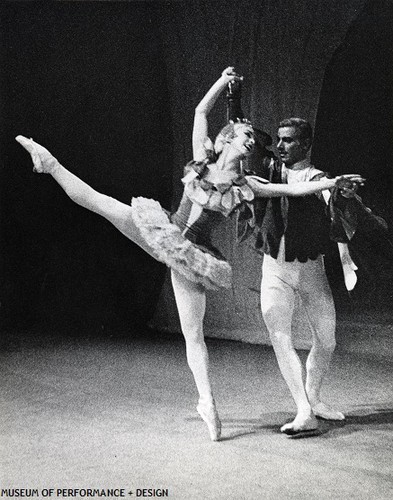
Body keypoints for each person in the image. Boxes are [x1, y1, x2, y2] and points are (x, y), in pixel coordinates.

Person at [16, 70, 362, 442]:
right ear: (228, 138)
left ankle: (207, 404)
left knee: (192, 334)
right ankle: (48, 162)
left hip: (191, 256)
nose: (252, 145)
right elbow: (200, 112)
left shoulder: (246, 186)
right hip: (162, 228)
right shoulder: (203, 157)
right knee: (99, 203)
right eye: (247, 137)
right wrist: (222, 80)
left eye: (252, 141)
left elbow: (291, 192)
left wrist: (330, 182)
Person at [254, 117, 365, 435]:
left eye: (288, 140)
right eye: (278, 139)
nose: (280, 145)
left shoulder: (320, 180)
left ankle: (313, 399)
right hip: (275, 269)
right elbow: (291, 187)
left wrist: (343, 195)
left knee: (327, 340)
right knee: (280, 336)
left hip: (311, 271)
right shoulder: (268, 170)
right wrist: (232, 93)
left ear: (305, 144)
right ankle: (303, 410)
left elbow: (341, 217)